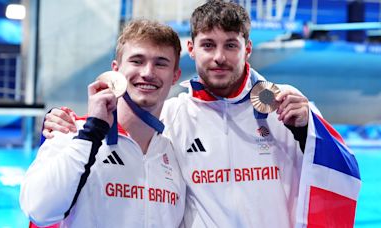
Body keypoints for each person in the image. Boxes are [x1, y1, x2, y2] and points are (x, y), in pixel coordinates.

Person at [41, 1, 361, 227]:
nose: (219, 57)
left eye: (231, 45)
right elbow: (123, 125)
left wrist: (307, 129)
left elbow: (343, 171)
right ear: (192, 49)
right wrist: (67, 123)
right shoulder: (173, 114)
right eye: (208, 45)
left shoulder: (285, 104)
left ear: (247, 48)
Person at [20, 19, 186, 227]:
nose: (147, 73)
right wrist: (91, 134)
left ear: (175, 76)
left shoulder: (171, 154)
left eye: (161, 63)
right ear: (116, 70)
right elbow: (39, 210)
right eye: (137, 61)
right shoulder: (72, 133)